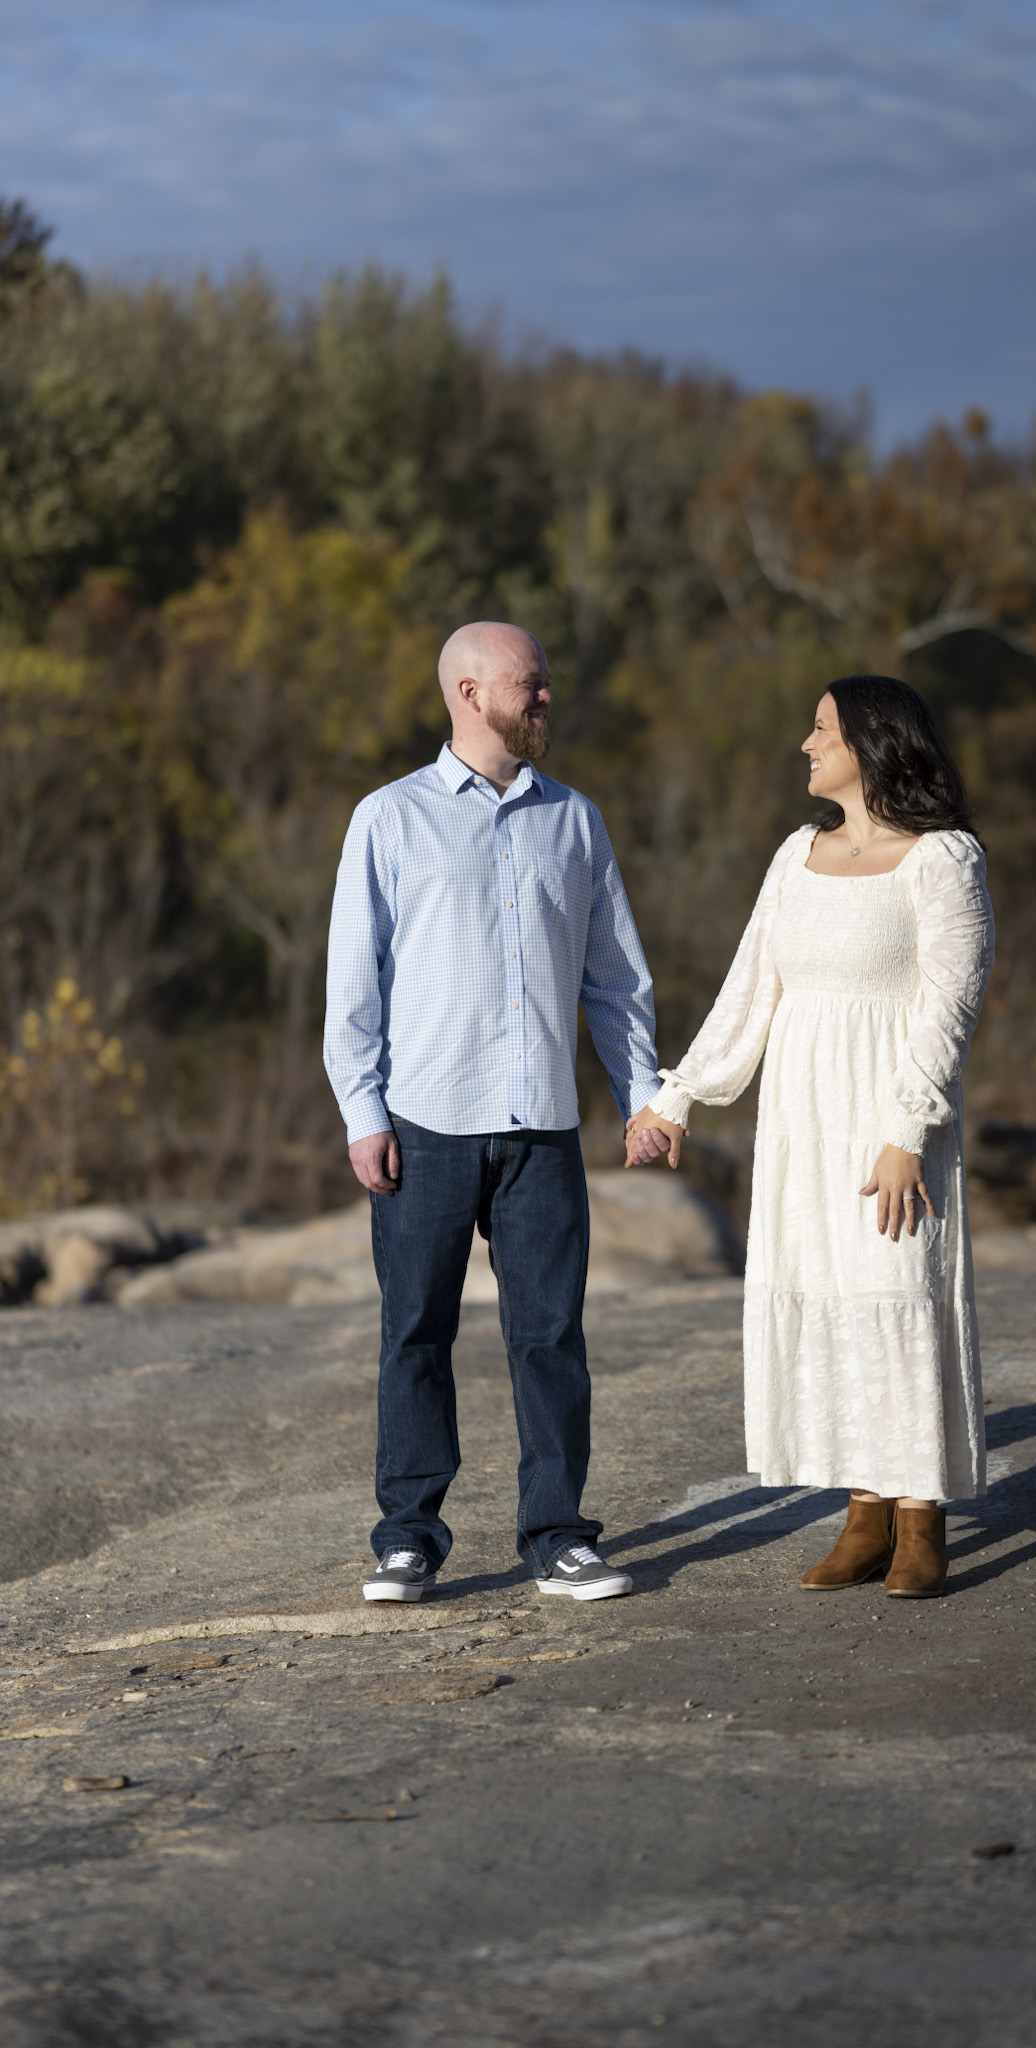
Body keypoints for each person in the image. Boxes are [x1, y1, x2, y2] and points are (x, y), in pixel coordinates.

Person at [626, 675, 994, 1597]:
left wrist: (906, 1128)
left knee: (895, 1295)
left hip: (886, 1115)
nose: (804, 743)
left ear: (873, 745)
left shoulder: (943, 858)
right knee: (830, 1304)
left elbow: (949, 1005)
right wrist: (678, 1097)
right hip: (800, 1117)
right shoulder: (797, 854)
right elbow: (752, 987)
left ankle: (920, 1520)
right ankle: (863, 1514)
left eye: (822, 729)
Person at [324, 621, 662, 1604]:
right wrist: (362, 1111)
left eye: (548, 683)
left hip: (543, 1127)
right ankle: (408, 1537)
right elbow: (354, 981)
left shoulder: (576, 821)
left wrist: (641, 1095)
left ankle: (558, 1534)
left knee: (550, 1334)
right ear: (469, 691)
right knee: (415, 1332)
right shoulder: (389, 818)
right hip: (424, 1121)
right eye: (533, 684)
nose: (548, 698)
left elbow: (617, 978)